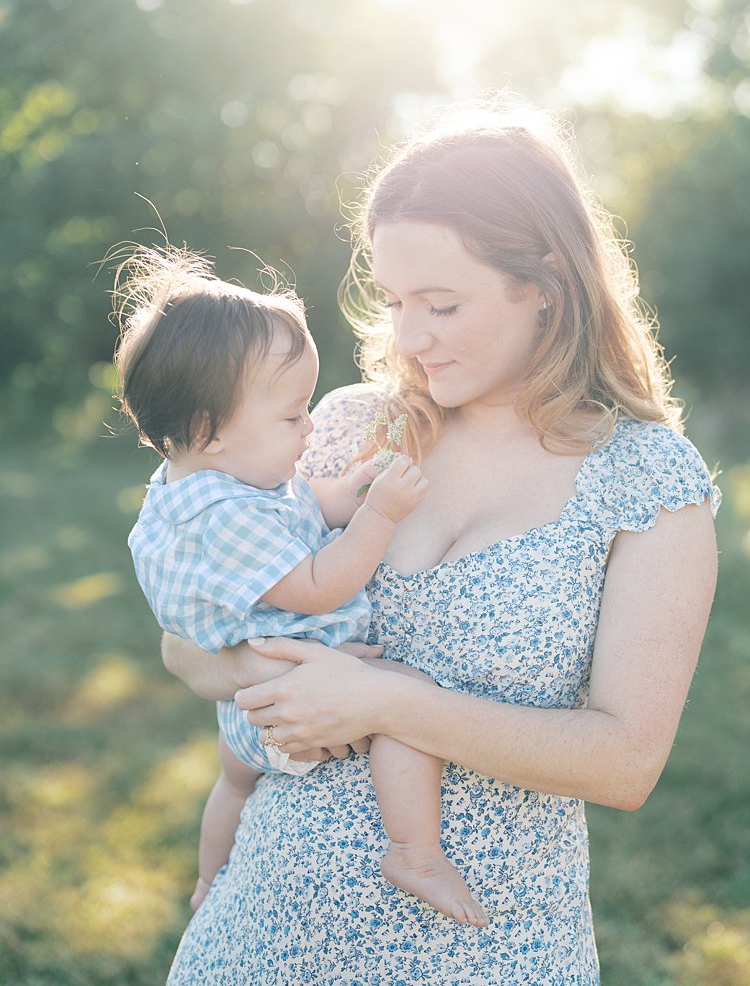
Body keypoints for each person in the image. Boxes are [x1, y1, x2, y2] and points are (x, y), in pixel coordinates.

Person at [161, 96, 720, 984]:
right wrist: (258, 674)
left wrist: (382, 701)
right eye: (394, 301)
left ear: (544, 280)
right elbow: (188, 635)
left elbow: (626, 763)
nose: (409, 338)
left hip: (486, 950)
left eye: (443, 304)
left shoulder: (647, 482)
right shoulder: (346, 430)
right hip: (263, 933)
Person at [114, 246, 488, 923]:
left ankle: (206, 885)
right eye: (292, 417)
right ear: (208, 430)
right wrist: (378, 514)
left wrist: (346, 489)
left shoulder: (204, 480)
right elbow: (317, 584)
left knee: (232, 783)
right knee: (411, 705)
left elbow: (298, 500)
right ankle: (414, 852)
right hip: (293, 700)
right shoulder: (226, 517)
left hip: (249, 703)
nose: (310, 427)